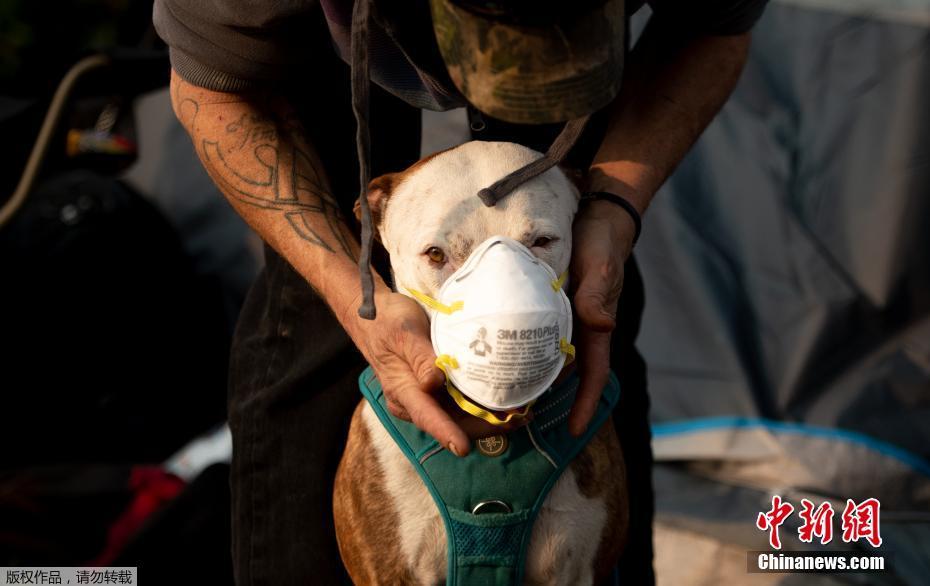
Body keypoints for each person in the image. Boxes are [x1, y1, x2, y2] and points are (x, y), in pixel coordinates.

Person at [153, 0, 767, 583]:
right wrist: (350, 293)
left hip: (582, 56)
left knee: (581, 299)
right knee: (315, 319)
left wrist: (613, 208)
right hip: (319, 39)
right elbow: (211, 90)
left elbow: (715, 28)